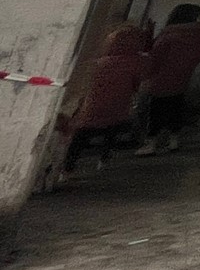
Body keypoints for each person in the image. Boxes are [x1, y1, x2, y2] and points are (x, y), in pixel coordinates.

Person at [59, 24, 150, 180]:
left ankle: (67, 169)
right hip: (119, 104)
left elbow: (85, 84)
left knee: (81, 136)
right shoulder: (137, 62)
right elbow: (137, 83)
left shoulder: (99, 63)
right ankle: (104, 158)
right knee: (112, 130)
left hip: (93, 105)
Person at [135, 3, 200, 155]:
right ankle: (174, 140)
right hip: (182, 76)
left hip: (161, 77)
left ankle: (151, 143)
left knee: (155, 111)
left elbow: (155, 55)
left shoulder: (170, 34)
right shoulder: (198, 34)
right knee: (175, 107)